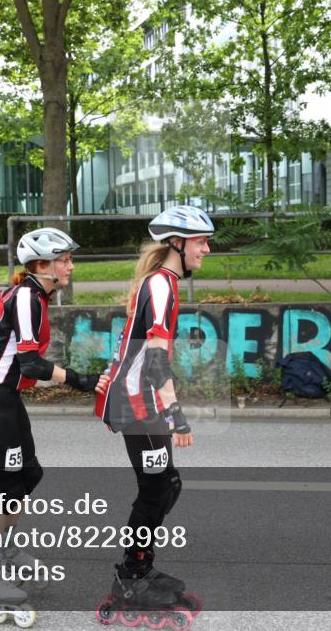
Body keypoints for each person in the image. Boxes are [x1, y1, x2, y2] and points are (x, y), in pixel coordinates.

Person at [0, 227, 108, 622]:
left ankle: (3, 548)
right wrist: (82, 381)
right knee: (6, 488)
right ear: (42, 265)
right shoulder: (27, 297)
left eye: (70, 258)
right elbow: (31, 365)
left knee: (28, 475)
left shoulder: (31, 295)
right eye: (65, 259)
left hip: (5, 399)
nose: (71, 265)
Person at [94, 205, 213, 615]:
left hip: (142, 399)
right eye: (201, 241)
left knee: (167, 484)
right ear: (177, 244)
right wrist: (175, 413)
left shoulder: (163, 283)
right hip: (136, 402)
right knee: (156, 489)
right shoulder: (160, 285)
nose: (207, 249)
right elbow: (157, 360)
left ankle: (139, 568)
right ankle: (131, 579)